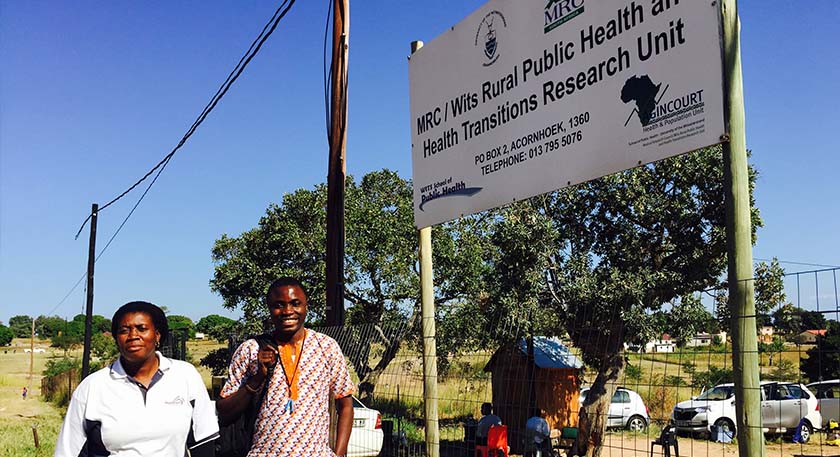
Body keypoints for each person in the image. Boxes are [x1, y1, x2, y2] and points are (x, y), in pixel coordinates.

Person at [54, 301, 219, 457]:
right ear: (116, 339)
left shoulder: (185, 376)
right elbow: (69, 450)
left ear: (158, 335)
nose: (133, 336)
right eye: (124, 330)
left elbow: (202, 442)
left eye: (142, 328)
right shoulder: (93, 387)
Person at [217, 277, 355, 457]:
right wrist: (258, 377)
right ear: (269, 309)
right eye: (279, 305)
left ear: (306, 306)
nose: (288, 311)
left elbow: (345, 404)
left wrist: (340, 453)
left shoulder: (326, 347)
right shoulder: (251, 349)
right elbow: (225, 412)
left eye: (295, 303)